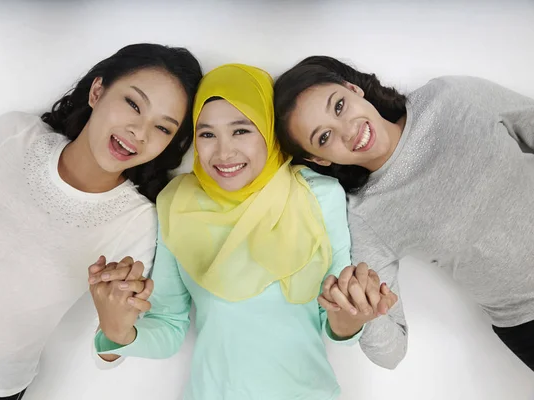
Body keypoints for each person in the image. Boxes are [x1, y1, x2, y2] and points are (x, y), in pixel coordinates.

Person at [88, 63, 398, 400]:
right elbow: (168, 324)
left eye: (241, 131)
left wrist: (352, 313)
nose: (223, 152)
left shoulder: (319, 194)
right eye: (206, 134)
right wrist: (115, 331)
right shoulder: (177, 203)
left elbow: (334, 316)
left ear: (268, 130)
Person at [0, 43, 202, 398]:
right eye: (133, 104)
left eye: (163, 128)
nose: (139, 132)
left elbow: (108, 347)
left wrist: (116, 327)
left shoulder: (137, 221)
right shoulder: (12, 135)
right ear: (97, 91)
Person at [273, 55, 534, 371]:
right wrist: (354, 318)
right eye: (324, 137)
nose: (348, 131)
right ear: (320, 159)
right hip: (527, 317)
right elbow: (390, 353)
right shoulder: (366, 215)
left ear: (353, 89)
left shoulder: (451, 97)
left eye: (339, 106)